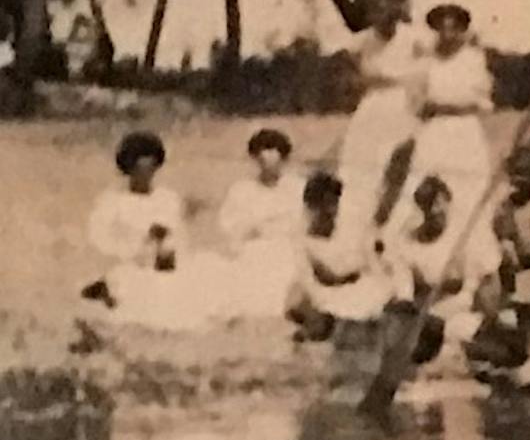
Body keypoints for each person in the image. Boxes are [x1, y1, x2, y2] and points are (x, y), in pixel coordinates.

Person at [85, 131, 214, 331]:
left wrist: (168, 248)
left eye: (151, 167)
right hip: (130, 266)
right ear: (128, 169)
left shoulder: (168, 199)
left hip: (165, 266)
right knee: (135, 291)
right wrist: (142, 242)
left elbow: (180, 238)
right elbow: (101, 242)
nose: (146, 174)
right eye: (139, 168)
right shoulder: (112, 202)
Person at [336, 0, 425, 239]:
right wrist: (366, 80)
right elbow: (349, 78)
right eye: (377, 15)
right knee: (362, 167)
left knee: (399, 164)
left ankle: (394, 228)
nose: (383, 21)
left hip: (401, 105)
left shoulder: (412, 38)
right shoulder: (363, 41)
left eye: (388, 15)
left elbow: (429, 67)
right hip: (372, 106)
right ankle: (358, 227)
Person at [469, 147, 530, 368]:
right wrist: (508, 248)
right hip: (512, 272)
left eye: (525, 177)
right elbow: (503, 236)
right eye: (516, 177)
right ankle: (492, 351)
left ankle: (523, 356)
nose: (519, 183)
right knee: (502, 310)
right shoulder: (505, 207)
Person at [409, 2, 495, 221]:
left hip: (464, 128)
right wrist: (426, 106)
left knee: (468, 187)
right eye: (442, 27)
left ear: (460, 29)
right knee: (428, 184)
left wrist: (446, 105)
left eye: (453, 27)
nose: (447, 33)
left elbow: (481, 102)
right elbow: (417, 101)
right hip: (435, 129)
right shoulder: (426, 61)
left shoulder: (473, 59)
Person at [289, 171, 397, 341]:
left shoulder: (351, 226)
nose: (331, 210)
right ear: (311, 207)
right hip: (326, 292)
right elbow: (308, 279)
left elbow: (369, 261)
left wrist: (382, 281)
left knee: (376, 300)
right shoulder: (303, 239)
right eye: (323, 206)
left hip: (359, 285)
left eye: (334, 203)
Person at [214, 127, 306, 318]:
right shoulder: (241, 190)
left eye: (275, 152)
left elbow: (306, 223)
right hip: (256, 249)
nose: (268, 160)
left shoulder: (297, 188)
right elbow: (231, 227)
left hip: (290, 248)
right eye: (262, 154)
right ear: (255, 158)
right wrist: (254, 230)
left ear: (284, 158)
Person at [386, 175, 486, 349]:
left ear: (448, 202)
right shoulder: (408, 239)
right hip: (422, 305)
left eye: (439, 204)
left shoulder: (464, 237)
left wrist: (435, 311)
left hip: (456, 307)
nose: (435, 211)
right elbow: (404, 283)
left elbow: (470, 289)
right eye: (429, 205)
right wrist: (407, 300)